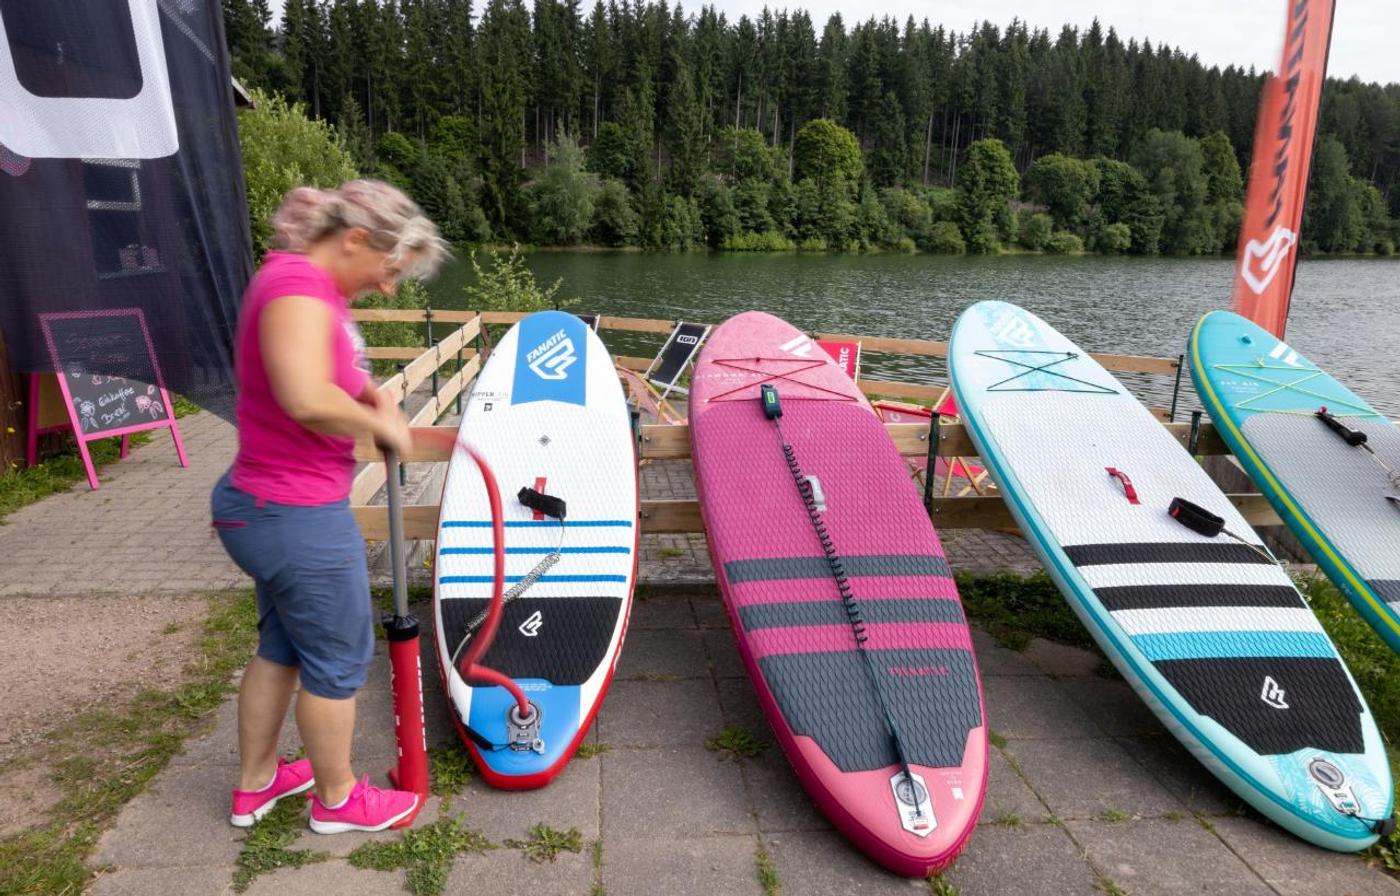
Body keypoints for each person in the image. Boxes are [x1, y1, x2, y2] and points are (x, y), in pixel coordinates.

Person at [211, 180, 447, 833]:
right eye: (390, 268)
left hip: (271, 506)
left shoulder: (307, 286)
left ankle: (257, 785)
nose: (390, 287)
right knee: (339, 660)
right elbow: (305, 395)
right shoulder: (297, 289)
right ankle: (338, 800)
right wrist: (385, 427)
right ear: (354, 239)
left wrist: (372, 392)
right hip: (296, 515)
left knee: (282, 648)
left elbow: (328, 369)